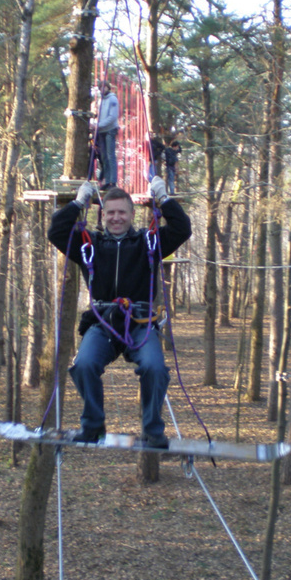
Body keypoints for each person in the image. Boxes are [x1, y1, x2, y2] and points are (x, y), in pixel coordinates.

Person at [47, 177, 192, 448]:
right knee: (83, 366)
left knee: (154, 368)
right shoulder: (89, 244)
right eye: (110, 212)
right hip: (103, 323)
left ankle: (152, 430)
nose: (116, 218)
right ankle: (92, 427)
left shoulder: (148, 243)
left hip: (139, 322)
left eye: (121, 212)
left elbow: (182, 228)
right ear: (102, 215)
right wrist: (79, 203)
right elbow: (56, 232)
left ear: (131, 214)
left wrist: (165, 199)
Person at [95, 81, 119, 190]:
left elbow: (112, 117)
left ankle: (113, 181)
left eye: (104, 87)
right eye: (100, 87)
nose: (102, 89)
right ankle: (107, 180)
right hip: (101, 131)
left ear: (108, 88)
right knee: (104, 156)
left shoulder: (112, 99)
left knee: (110, 156)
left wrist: (99, 125)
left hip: (110, 130)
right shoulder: (100, 100)